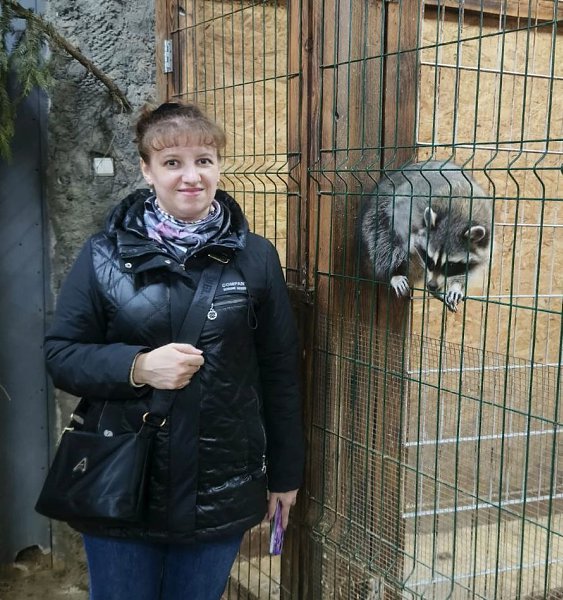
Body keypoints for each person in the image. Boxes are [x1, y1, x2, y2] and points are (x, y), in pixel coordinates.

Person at [43, 101, 304, 600]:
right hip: (123, 480)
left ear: (219, 166)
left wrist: (285, 475)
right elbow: (61, 355)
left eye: (204, 160)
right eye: (172, 162)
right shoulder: (104, 254)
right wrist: (138, 367)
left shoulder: (256, 258)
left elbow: (279, 371)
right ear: (147, 170)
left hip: (219, 488)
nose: (191, 176)